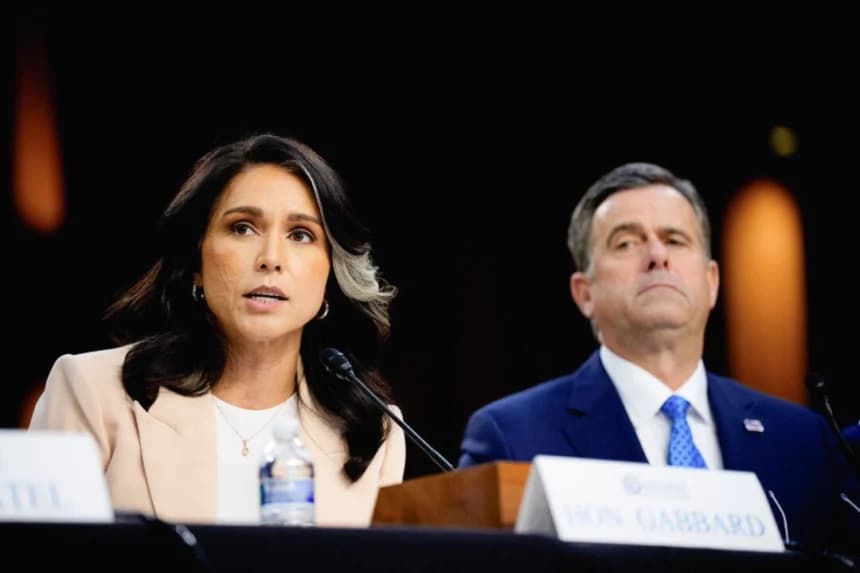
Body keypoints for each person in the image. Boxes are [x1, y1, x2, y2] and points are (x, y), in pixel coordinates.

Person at [459, 162, 859, 554]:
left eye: (675, 240)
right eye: (626, 243)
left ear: (712, 282)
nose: (657, 256)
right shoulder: (512, 437)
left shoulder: (804, 440)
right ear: (584, 293)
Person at [30, 134, 405, 526]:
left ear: (330, 274)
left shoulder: (373, 432)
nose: (271, 259)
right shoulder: (93, 391)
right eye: (243, 228)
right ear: (196, 262)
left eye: (301, 235)